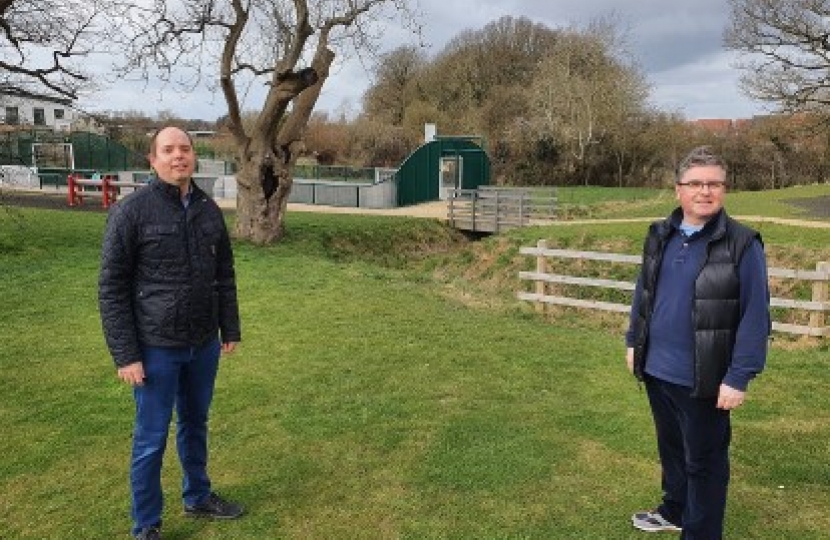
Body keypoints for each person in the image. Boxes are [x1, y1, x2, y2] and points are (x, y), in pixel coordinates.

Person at [99, 126, 243, 540]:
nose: (178, 155)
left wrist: (228, 327)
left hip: (203, 345)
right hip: (155, 347)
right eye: (168, 149)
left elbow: (224, 276)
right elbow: (111, 287)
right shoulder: (131, 212)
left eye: (185, 148)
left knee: (195, 423)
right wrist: (126, 355)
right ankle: (146, 525)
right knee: (151, 438)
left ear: (194, 156)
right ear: (152, 159)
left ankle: (197, 496)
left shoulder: (209, 211)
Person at [625, 146, 770, 540]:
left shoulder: (742, 244)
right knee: (672, 452)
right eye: (695, 183)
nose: (705, 191)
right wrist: (633, 340)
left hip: (705, 377)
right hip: (656, 368)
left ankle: (701, 533)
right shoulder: (659, 234)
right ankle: (674, 510)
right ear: (678, 190)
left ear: (723, 189)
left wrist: (739, 375)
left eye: (714, 183)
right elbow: (644, 291)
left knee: (704, 463)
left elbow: (756, 315)